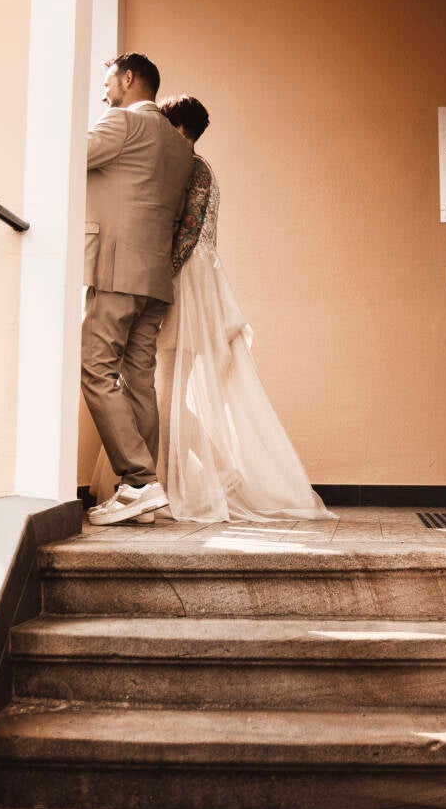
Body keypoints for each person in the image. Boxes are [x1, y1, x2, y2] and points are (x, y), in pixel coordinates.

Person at [152, 94, 333, 523]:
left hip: (187, 282)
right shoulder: (196, 167)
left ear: (179, 128)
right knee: (167, 390)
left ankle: (207, 474)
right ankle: (188, 479)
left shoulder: (193, 168)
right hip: (196, 281)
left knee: (167, 390)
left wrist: (157, 281)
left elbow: (188, 234)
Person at [82, 54, 195, 526]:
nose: (104, 91)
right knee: (138, 381)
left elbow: (68, 157)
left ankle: (139, 482)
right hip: (155, 279)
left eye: (108, 81)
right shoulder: (180, 147)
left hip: (116, 269)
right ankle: (141, 495)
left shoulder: (122, 122)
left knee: (95, 369)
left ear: (128, 79)